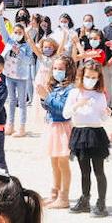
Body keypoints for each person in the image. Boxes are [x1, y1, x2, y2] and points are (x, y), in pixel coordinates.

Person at [66, 59, 110, 217]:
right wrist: (78, 104)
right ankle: (85, 199)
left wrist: (107, 113)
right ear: (81, 75)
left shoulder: (100, 95)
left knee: (99, 170)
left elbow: (103, 118)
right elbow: (66, 113)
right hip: (79, 133)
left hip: (96, 133)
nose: (90, 80)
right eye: (88, 76)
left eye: (94, 77)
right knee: (84, 170)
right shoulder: (74, 93)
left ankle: (101, 202)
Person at [38, 55, 74, 209]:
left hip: (62, 127)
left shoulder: (70, 89)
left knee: (63, 162)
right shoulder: (55, 86)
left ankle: (64, 196)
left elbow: (63, 109)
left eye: (61, 69)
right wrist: (43, 99)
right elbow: (49, 107)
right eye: (55, 68)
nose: (57, 71)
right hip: (52, 126)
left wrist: (47, 97)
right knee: (54, 162)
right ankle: (55, 193)